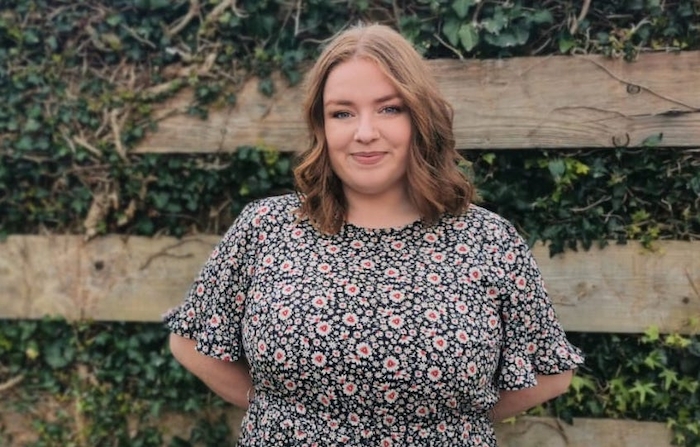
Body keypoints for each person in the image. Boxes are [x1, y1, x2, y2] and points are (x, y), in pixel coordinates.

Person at [165, 23, 584, 446]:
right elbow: (191, 341)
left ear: (421, 117)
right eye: (342, 113)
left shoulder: (488, 240)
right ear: (321, 125)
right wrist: (279, 414)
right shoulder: (267, 227)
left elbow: (549, 372)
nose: (365, 132)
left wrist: (448, 424)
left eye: (389, 109)